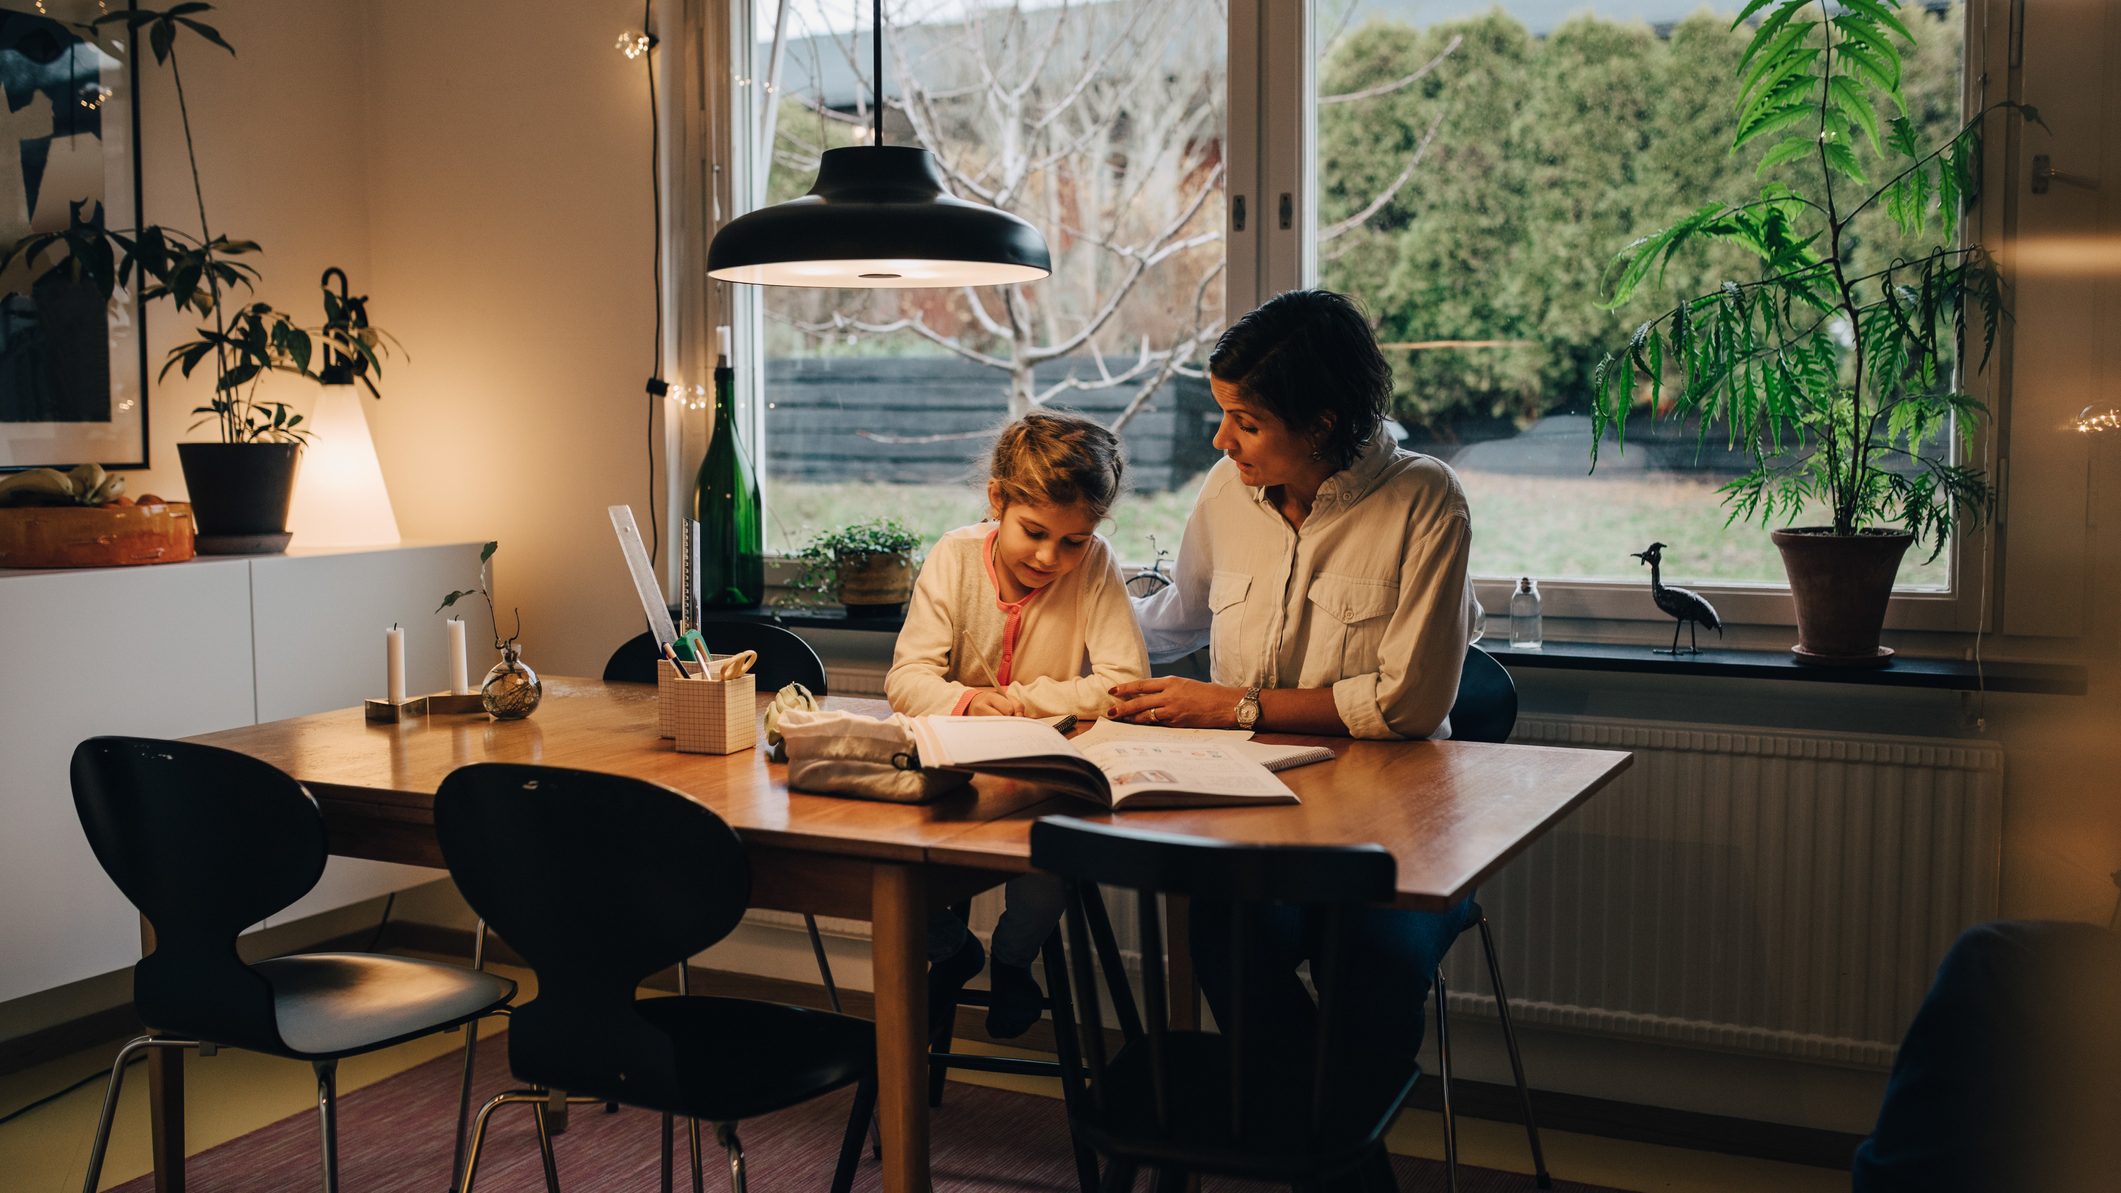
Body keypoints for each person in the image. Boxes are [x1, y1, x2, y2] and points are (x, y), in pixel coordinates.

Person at [1112, 288, 1483, 1094]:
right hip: (1257, 814)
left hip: (1399, 835)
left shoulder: (1425, 501)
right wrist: (1064, 596)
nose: (1221, 439)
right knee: (1221, 933)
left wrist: (1236, 705)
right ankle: (1325, 1133)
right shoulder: (1225, 489)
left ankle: (1313, 1133)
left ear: (1319, 423)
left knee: (1370, 969)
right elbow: (1175, 622)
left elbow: (1407, 705)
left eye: (1245, 421)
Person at [886, 410, 1150, 1038]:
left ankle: (1012, 963)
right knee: (890, 866)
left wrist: (1024, 699)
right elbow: (906, 679)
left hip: (1040, 775)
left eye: (1072, 541)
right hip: (950, 771)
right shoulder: (953, 556)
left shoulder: (1095, 564)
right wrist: (970, 703)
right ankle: (953, 951)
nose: (1049, 555)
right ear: (997, 499)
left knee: (1047, 864)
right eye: (1034, 531)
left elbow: (1125, 681)